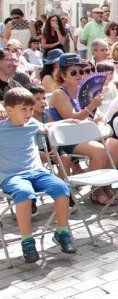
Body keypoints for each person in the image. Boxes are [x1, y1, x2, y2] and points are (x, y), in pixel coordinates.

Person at [0, 87, 76, 263]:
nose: (28, 113)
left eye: (31, 109)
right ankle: (27, 240)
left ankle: (61, 232)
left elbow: (48, 127)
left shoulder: (33, 124)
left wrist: (68, 123)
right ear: (9, 110)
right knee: (24, 194)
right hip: (12, 176)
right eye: (23, 109)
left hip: (37, 172)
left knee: (61, 187)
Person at [46, 53, 118, 204]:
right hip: (66, 139)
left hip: (85, 134)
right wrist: (92, 106)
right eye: (73, 72)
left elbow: (96, 115)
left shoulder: (83, 91)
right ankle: (96, 191)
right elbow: (72, 118)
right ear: (63, 75)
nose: (79, 75)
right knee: (99, 150)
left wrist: (95, 111)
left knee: (114, 145)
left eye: (81, 71)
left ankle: (105, 184)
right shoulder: (59, 94)